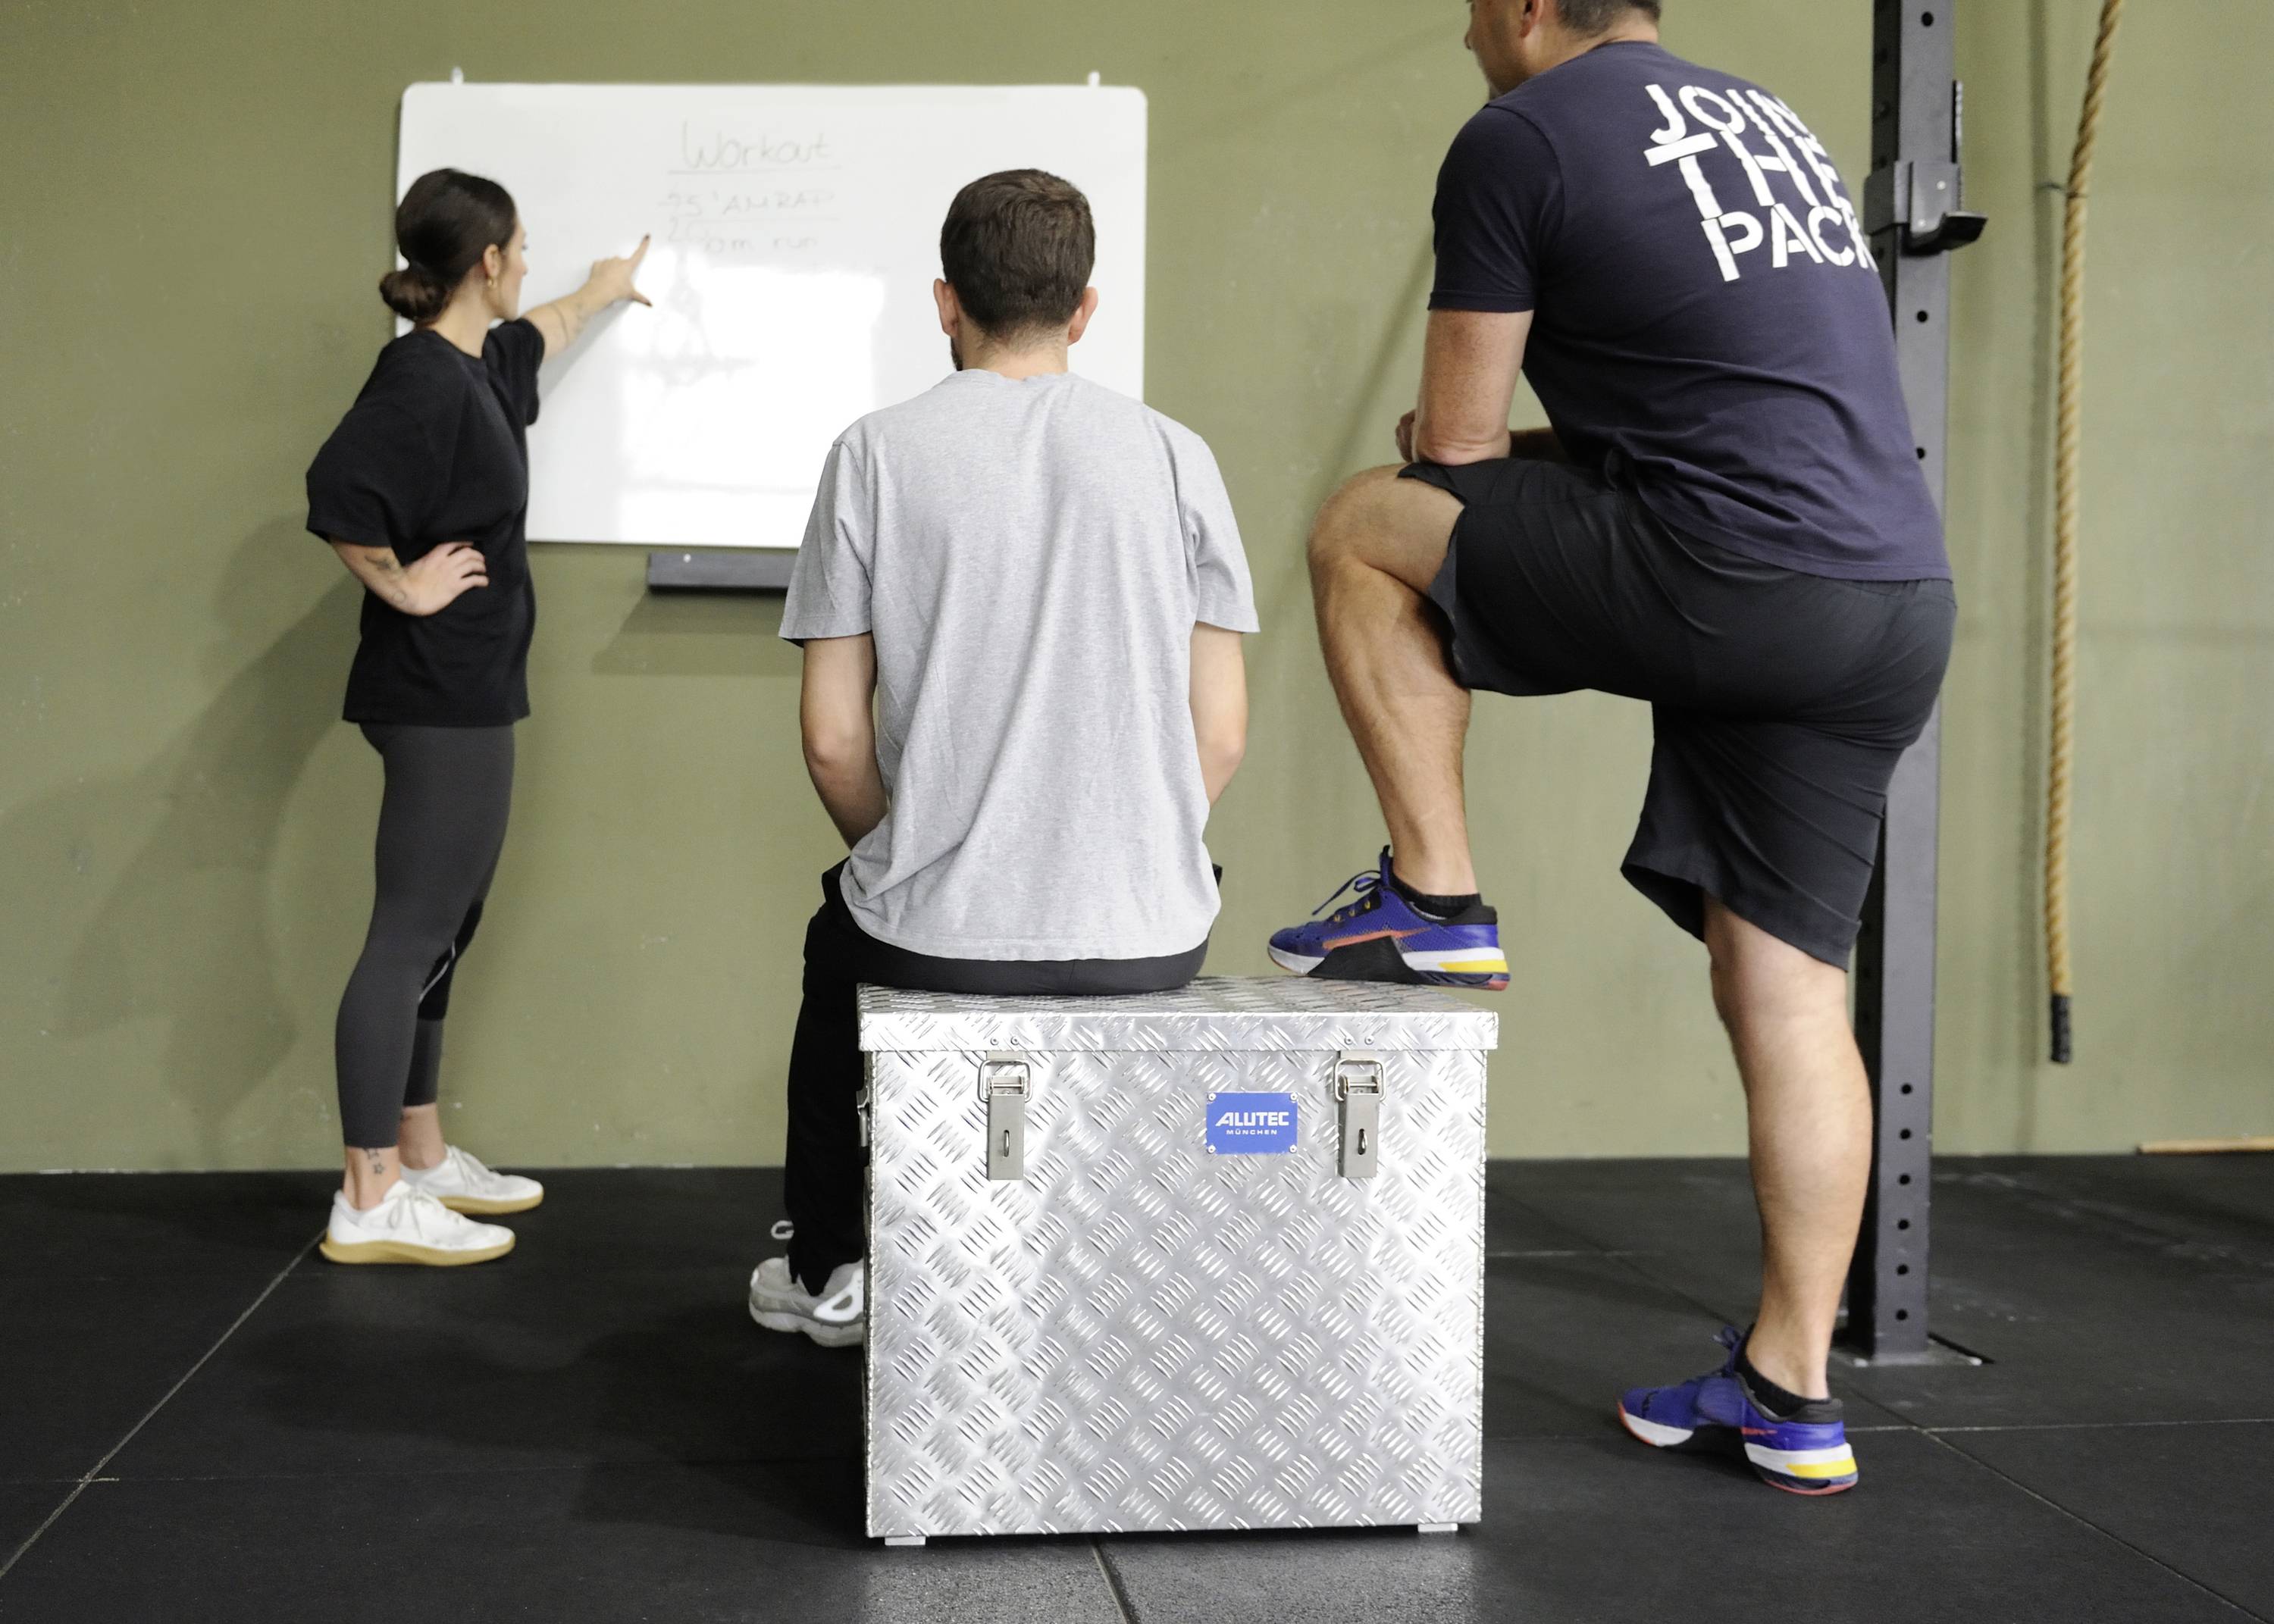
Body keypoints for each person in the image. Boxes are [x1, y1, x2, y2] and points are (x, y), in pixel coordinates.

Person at [1265, 0, 1955, 1494]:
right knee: (1788, 986)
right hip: (1896, 596)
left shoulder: (1518, 138)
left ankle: (1435, 900)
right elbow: (1734, 408)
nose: (1463, 30)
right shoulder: (1771, 123)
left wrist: (1455, 452)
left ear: (1525, 8)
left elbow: (1446, 452)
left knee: (1363, 527)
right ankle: (1793, 1388)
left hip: (1740, 576)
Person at [747, 169, 1256, 1347]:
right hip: (1149, 937)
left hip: (938, 942)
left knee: (841, 952)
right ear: (1084, 311)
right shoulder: (1181, 456)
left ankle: (831, 1266)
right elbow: (1218, 735)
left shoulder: (873, 453)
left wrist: (913, 852)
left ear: (943, 302)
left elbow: (832, 739)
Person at [305, 167, 650, 1265]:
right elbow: (338, 488)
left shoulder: (477, 364)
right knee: (408, 933)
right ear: (487, 261)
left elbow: (537, 334)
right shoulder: (420, 382)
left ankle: (419, 1152)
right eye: (524, 249)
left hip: (473, 690)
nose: (531, 266)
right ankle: (368, 1198)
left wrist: (603, 290)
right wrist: (400, 583)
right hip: (436, 694)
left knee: (448, 929)